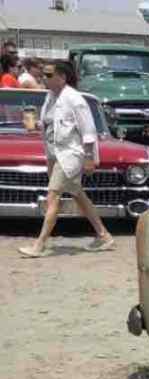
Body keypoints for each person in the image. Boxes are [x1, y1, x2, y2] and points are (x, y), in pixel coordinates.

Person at [17, 60, 115, 258]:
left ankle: (40, 244)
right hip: (55, 154)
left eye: (49, 75)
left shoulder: (74, 99)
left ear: (62, 77)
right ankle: (104, 235)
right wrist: (36, 125)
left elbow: (88, 131)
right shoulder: (51, 97)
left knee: (53, 196)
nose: (44, 78)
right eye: (43, 74)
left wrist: (88, 157)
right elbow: (51, 123)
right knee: (78, 194)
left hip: (70, 155)